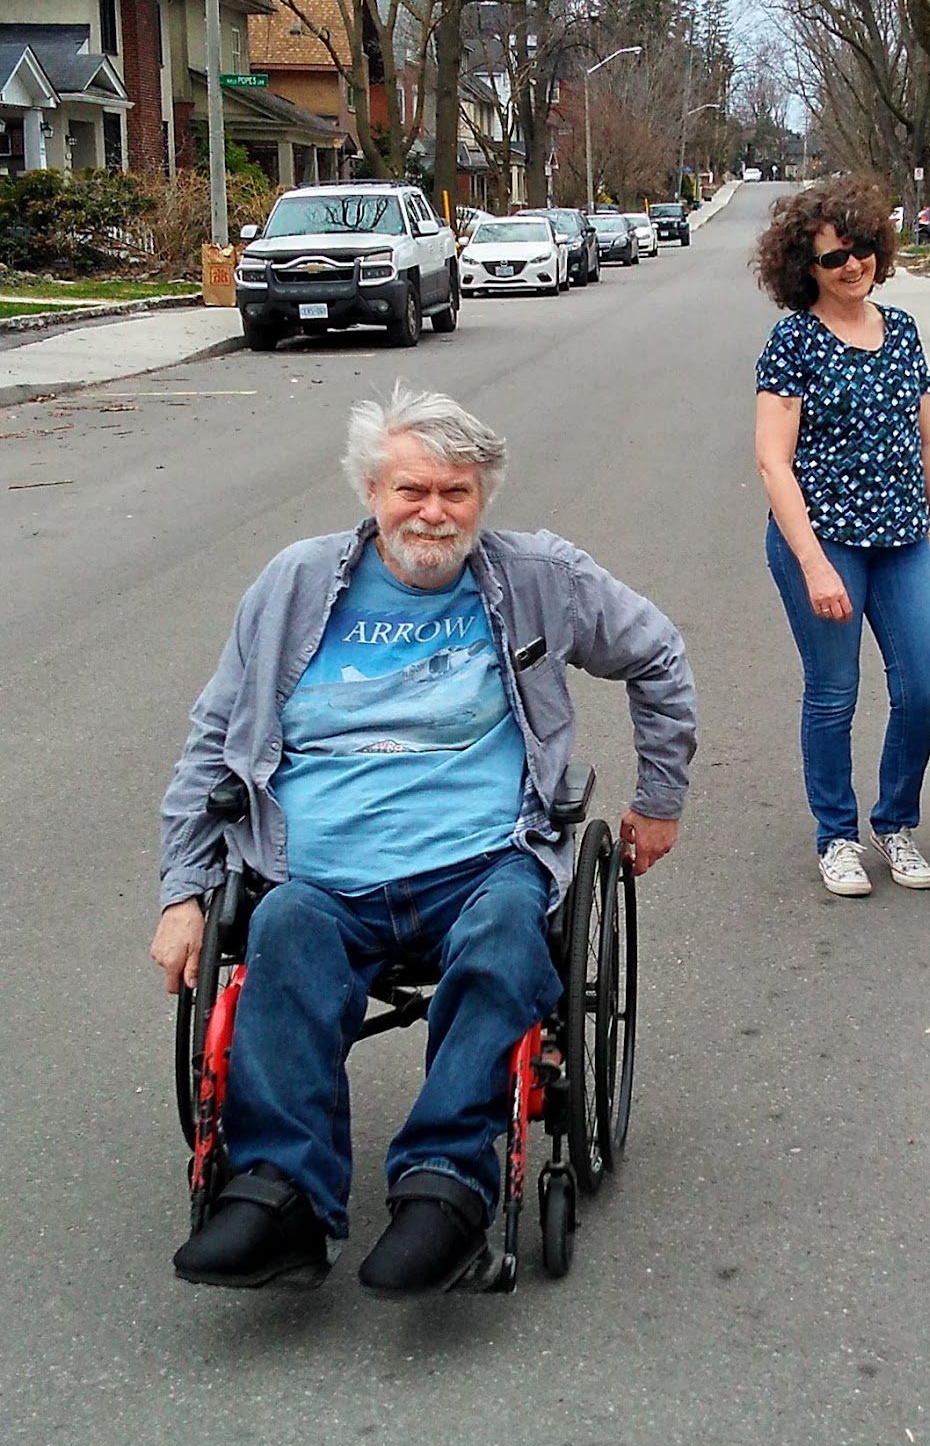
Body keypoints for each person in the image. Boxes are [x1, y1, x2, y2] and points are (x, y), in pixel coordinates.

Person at [151, 384, 696, 1296]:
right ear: (371, 491)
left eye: (455, 492)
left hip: (481, 864)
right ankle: (281, 1193)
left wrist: (660, 799)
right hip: (316, 874)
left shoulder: (538, 576)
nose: (432, 512)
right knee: (280, 931)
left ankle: (445, 1183)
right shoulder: (293, 584)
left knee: (507, 935)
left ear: (483, 499)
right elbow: (214, 740)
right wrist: (182, 890)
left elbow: (657, 655)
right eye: (411, 490)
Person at [753, 177, 930, 898]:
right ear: (805, 268)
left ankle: (894, 822)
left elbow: (929, 441)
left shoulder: (901, 330)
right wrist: (814, 565)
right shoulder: (794, 342)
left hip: (903, 540)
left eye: (863, 248)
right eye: (833, 257)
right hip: (824, 542)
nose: (853, 265)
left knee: (923, 687)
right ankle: (836, 836)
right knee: (834, 692)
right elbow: (773, 462)